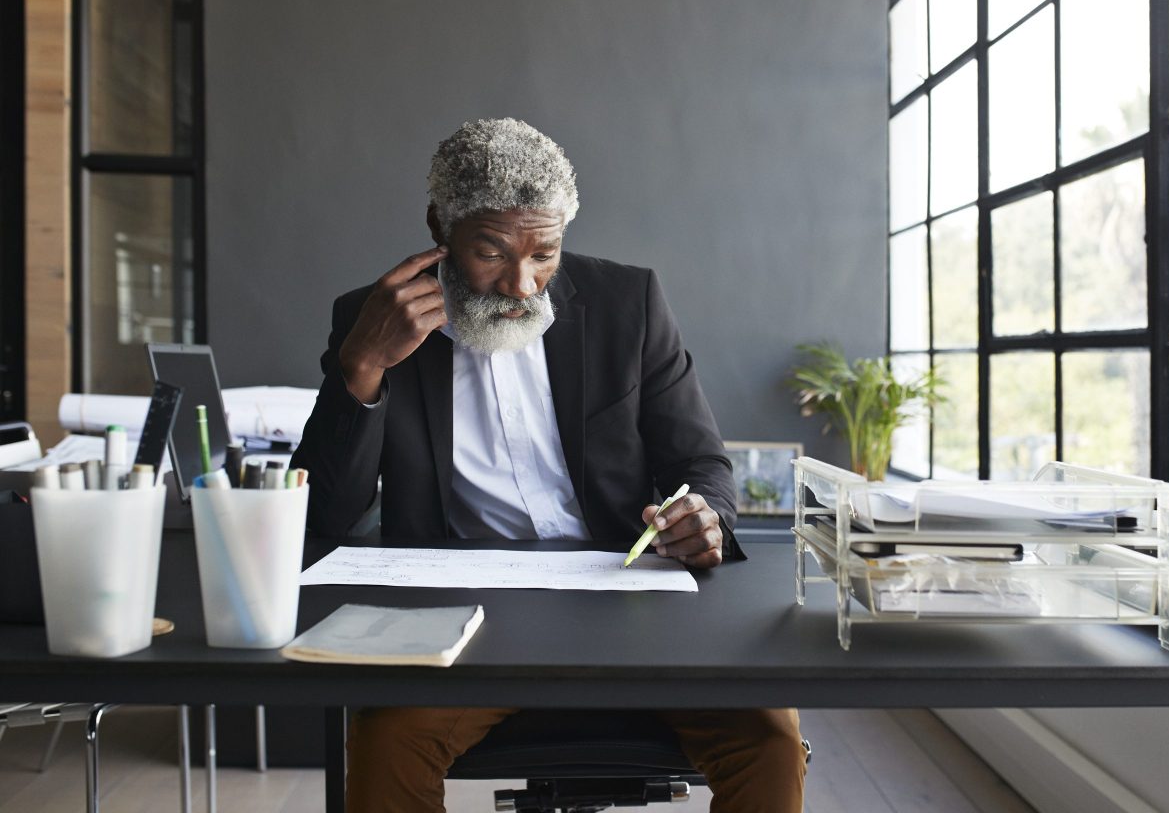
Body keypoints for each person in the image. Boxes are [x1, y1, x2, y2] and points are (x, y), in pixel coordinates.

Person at [291, 117, 806, 813]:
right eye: (491, 251)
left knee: (769, 742)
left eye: (546, 253)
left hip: (632, 603)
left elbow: (700, 461)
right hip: (460, 619)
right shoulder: (372, 319)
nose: (521, 283)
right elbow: (324, 513)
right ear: (440, 227)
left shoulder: (630, 304)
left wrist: (704, 514)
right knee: (386, 743)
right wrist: (363, 366)